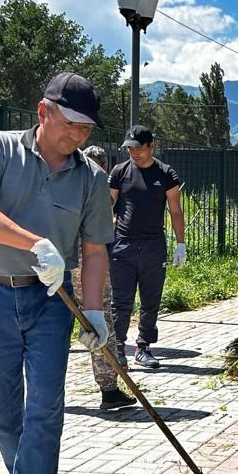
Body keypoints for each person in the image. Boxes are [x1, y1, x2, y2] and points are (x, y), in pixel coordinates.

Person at [0, 72, 113, 474]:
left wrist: (92, 312)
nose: (78, 136)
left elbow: (94, 249)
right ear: (43, 111)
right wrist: (36, 244)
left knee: (45, 406)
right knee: (3, 409)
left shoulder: (91, 177)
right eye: (70, 124)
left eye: (87, 128)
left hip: (52, 302)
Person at [107, 125, 186, 370]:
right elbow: (104, 205)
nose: (133, 153)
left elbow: (175, 210)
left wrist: (181, 244)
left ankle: (143, 347)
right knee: (121, 301)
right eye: (129, 148)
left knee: (151, 299)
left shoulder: (165, 174)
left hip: (153, 245)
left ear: (152, 146)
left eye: (138, 148)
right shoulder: (120, 172)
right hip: (123, 245)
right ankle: (118, 347)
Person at [74, 145, 135, 411]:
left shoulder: (63, 186)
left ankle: (37, 393)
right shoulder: (98, 190)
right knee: (99, 322)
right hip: (89, 266)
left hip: (56, 266)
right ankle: (109, 389)